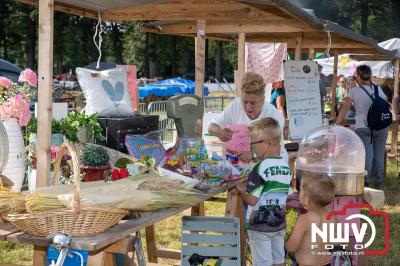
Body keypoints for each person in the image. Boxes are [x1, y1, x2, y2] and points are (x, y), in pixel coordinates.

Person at [236, 117, 292, 266]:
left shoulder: (258, 168)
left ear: (267, 144)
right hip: (278, 223)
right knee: (279, 259)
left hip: (259, 225)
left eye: (253, 143)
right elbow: (289, 193)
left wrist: (242, 191)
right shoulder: (285, 167)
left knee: (263, 262)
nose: (251, 147)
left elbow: (252, 200)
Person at [208, 72, 288, 162]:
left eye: (253, 103)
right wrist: (220, 133)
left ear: (262, 100)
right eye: (245, 102)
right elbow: (211, 127)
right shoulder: (235, 106)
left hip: (271, 167)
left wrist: (254, 154)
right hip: (241, 168)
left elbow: (275, 150)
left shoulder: (273, 115)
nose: (248, 107)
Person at [336, 65, 388, 188]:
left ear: (358, 76)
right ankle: (379, 181)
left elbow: (344, 109)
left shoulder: (354, 91)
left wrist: (337, 124)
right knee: (379, 154)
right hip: (381, 127)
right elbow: (385, 104)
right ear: (369, 76)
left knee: (367, 155)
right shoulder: (378, 89)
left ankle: (366, 181)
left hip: (363, 127)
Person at [285, 175, 336, 266]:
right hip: (326, 263)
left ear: (307, 200)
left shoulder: (304, 220)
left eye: (300, 190)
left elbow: (292, 247)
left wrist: (285, 245)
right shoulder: (331, 216)